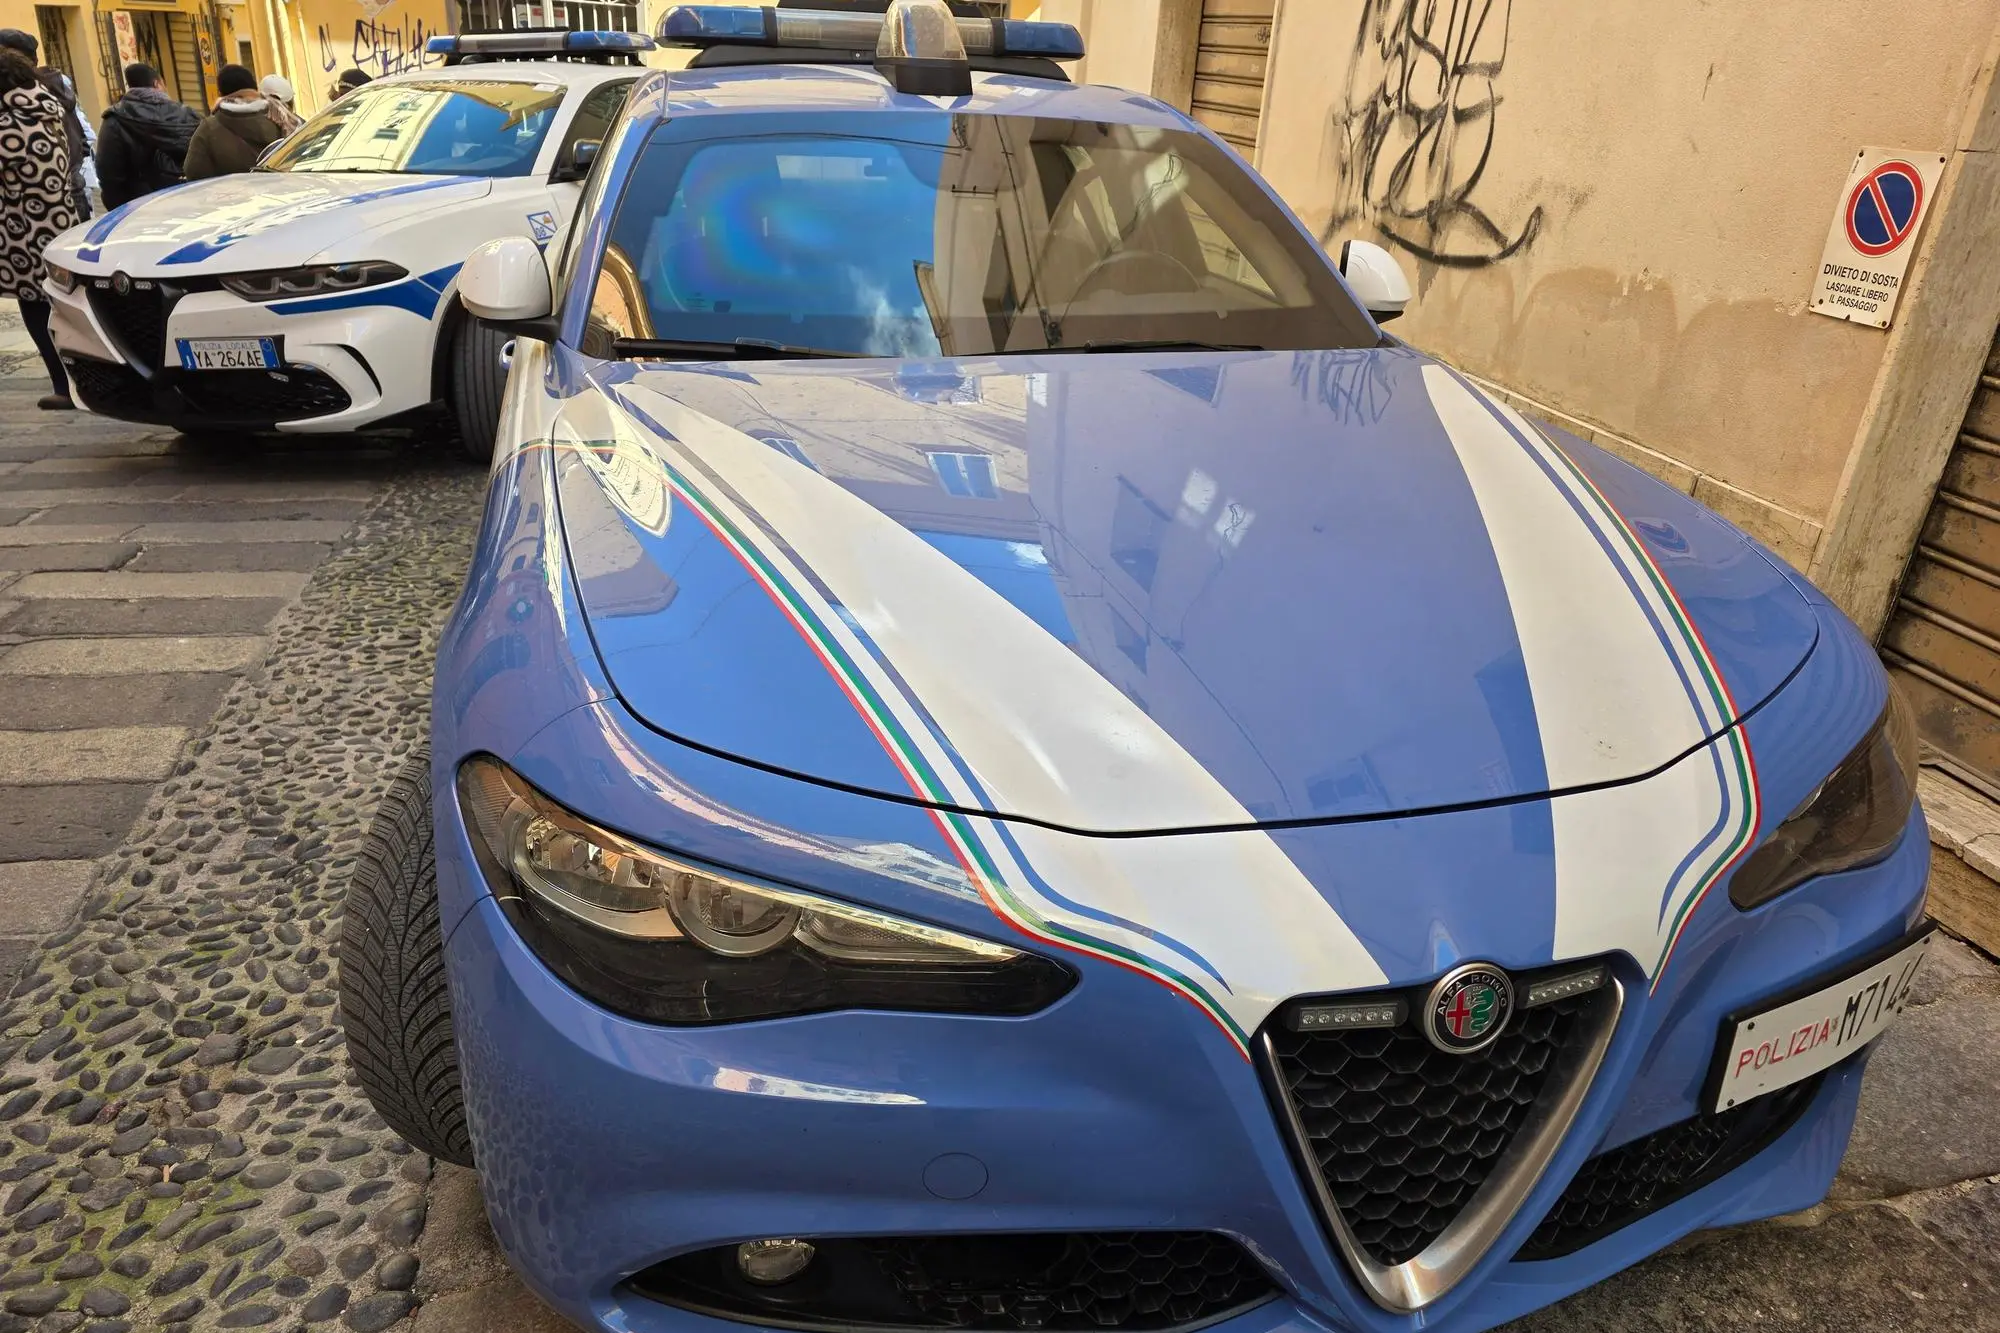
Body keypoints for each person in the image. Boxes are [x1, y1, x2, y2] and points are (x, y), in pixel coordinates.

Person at [0, 48, 78, 409]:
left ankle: (65, 386)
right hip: (57, 220)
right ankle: (76, 382)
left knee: (37, 307)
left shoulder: (10, 124)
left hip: (26, 230)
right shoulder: (47, 109)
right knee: (61, 304)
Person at [0, 29, 89, 219]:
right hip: (66, 202)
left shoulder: (13, 123)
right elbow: (84, 132)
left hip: (29, 228)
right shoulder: (44, 99)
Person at [95, 63, 198, 209]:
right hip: (187, 201)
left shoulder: (114, 120)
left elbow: (108, 175)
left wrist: (120, 211)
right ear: (157, 83)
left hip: (138, 209)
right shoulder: (186, 114)